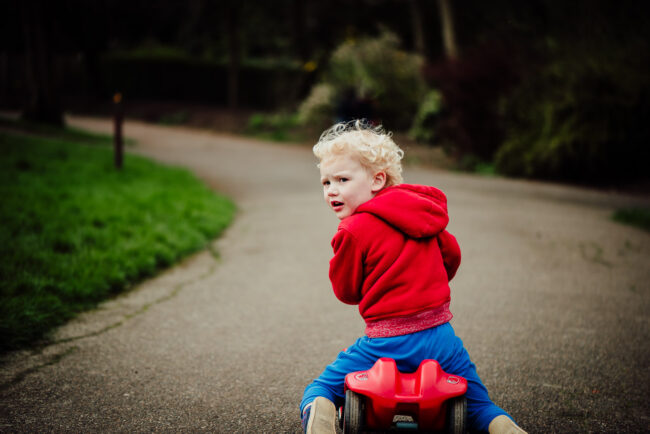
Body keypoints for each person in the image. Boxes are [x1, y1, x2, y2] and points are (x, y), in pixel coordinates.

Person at [300, 120, 526, 434]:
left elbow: (347, 291)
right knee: (478, 404)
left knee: (322, 388)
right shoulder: (424, 214)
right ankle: (503, 427)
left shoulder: (353, 230)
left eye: (342, 179)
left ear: (377, 179)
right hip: (439, 336)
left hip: (385, 341)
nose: (332, 190)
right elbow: (452, 256)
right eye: (326, 183)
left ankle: (320, 416)